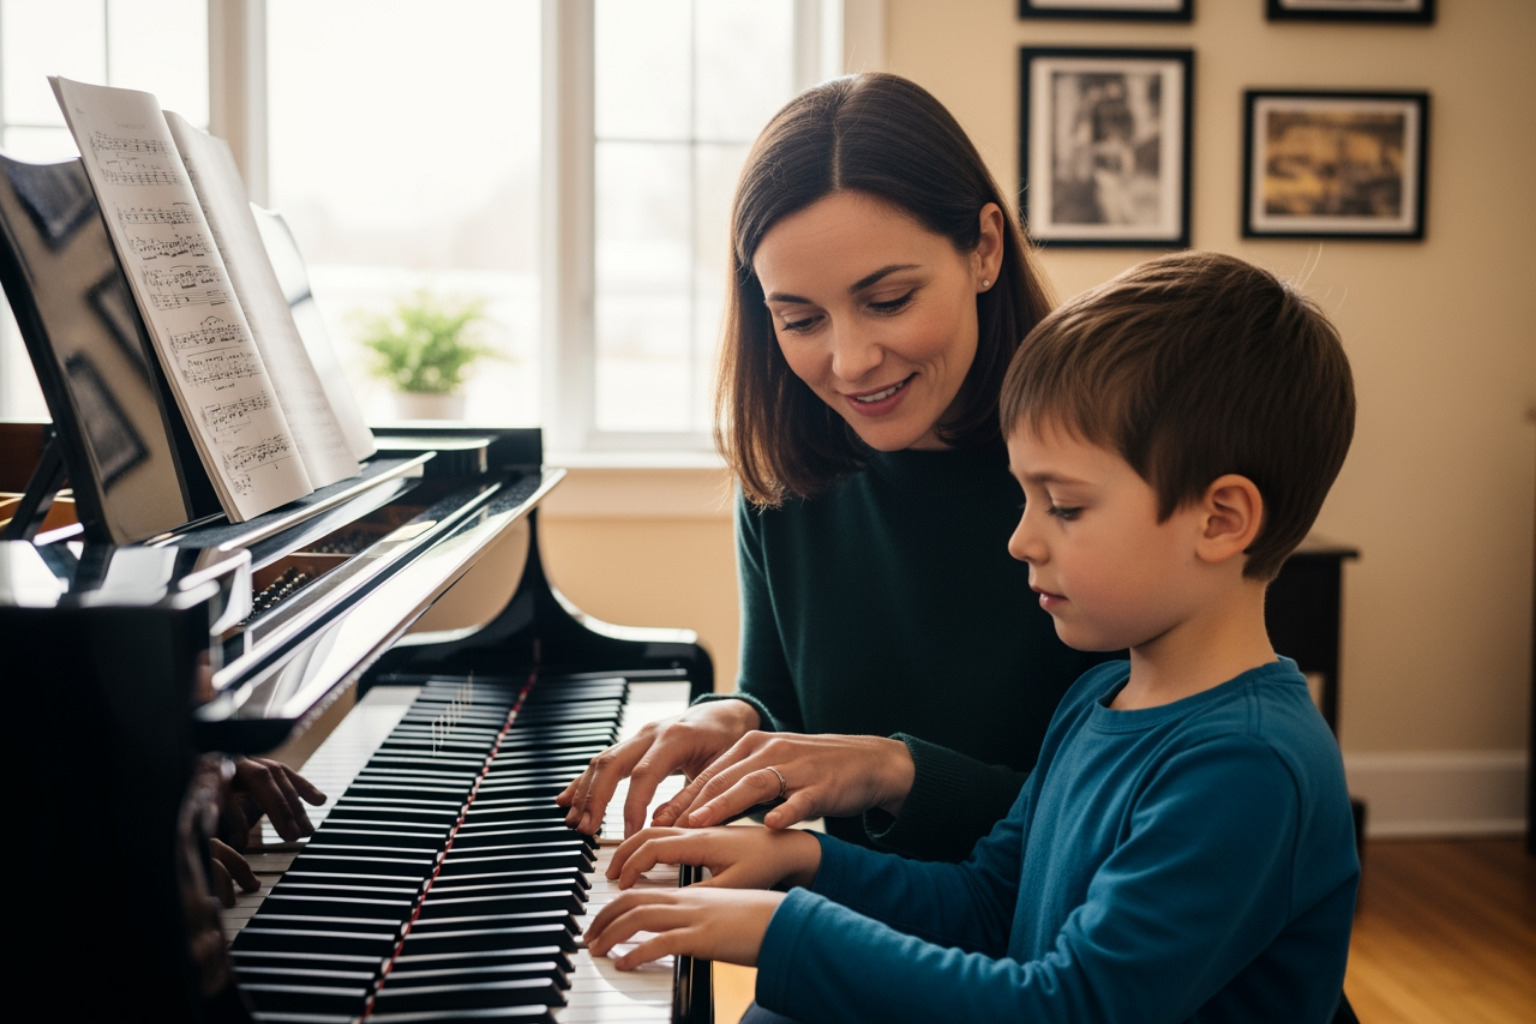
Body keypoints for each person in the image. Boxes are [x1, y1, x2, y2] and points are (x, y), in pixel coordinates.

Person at [584, 250, 1362, 1023]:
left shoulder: (1246, 765)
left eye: (1064, 505)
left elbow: (1069, 1006)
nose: (1021, 539)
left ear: (1220, 520)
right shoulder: (1100, 697)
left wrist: (783, 931)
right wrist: (802, 862)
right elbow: (991, 903)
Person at [558, 73, 1103, 862]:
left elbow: (1132, 815)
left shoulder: (1106, 472)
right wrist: (734, 718)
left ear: (985, 249)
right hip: (860, 926)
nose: (849, 363)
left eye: (887, 301)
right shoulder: (788, 479)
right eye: (801, 319)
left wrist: (896, 769)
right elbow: (787, 709)